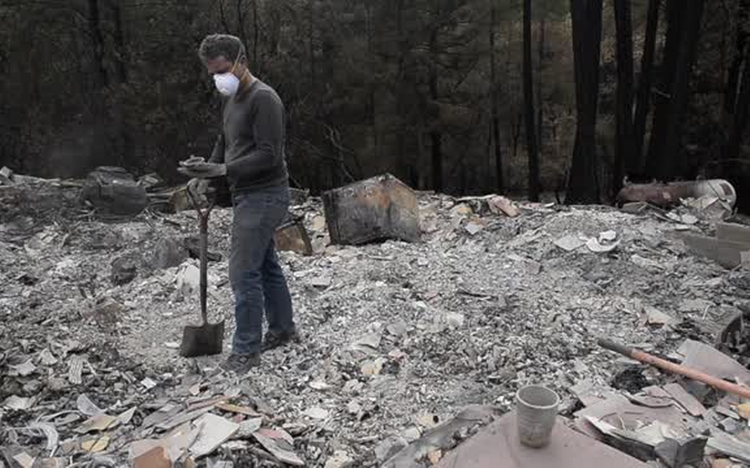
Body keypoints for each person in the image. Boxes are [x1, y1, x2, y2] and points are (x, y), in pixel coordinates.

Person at [179, 34, 299, 374]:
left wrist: (225, 169)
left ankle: (246, 350)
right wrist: (208, 171)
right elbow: (226, 139)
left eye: (224, 69)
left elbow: (268, 154)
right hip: (246, 192)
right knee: (264, 265)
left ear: (242, 61)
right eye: (213, 73)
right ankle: (283, 329)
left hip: (266, 194)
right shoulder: (230, 98)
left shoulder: (265, 99)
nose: (219, 78)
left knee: (242, 272)